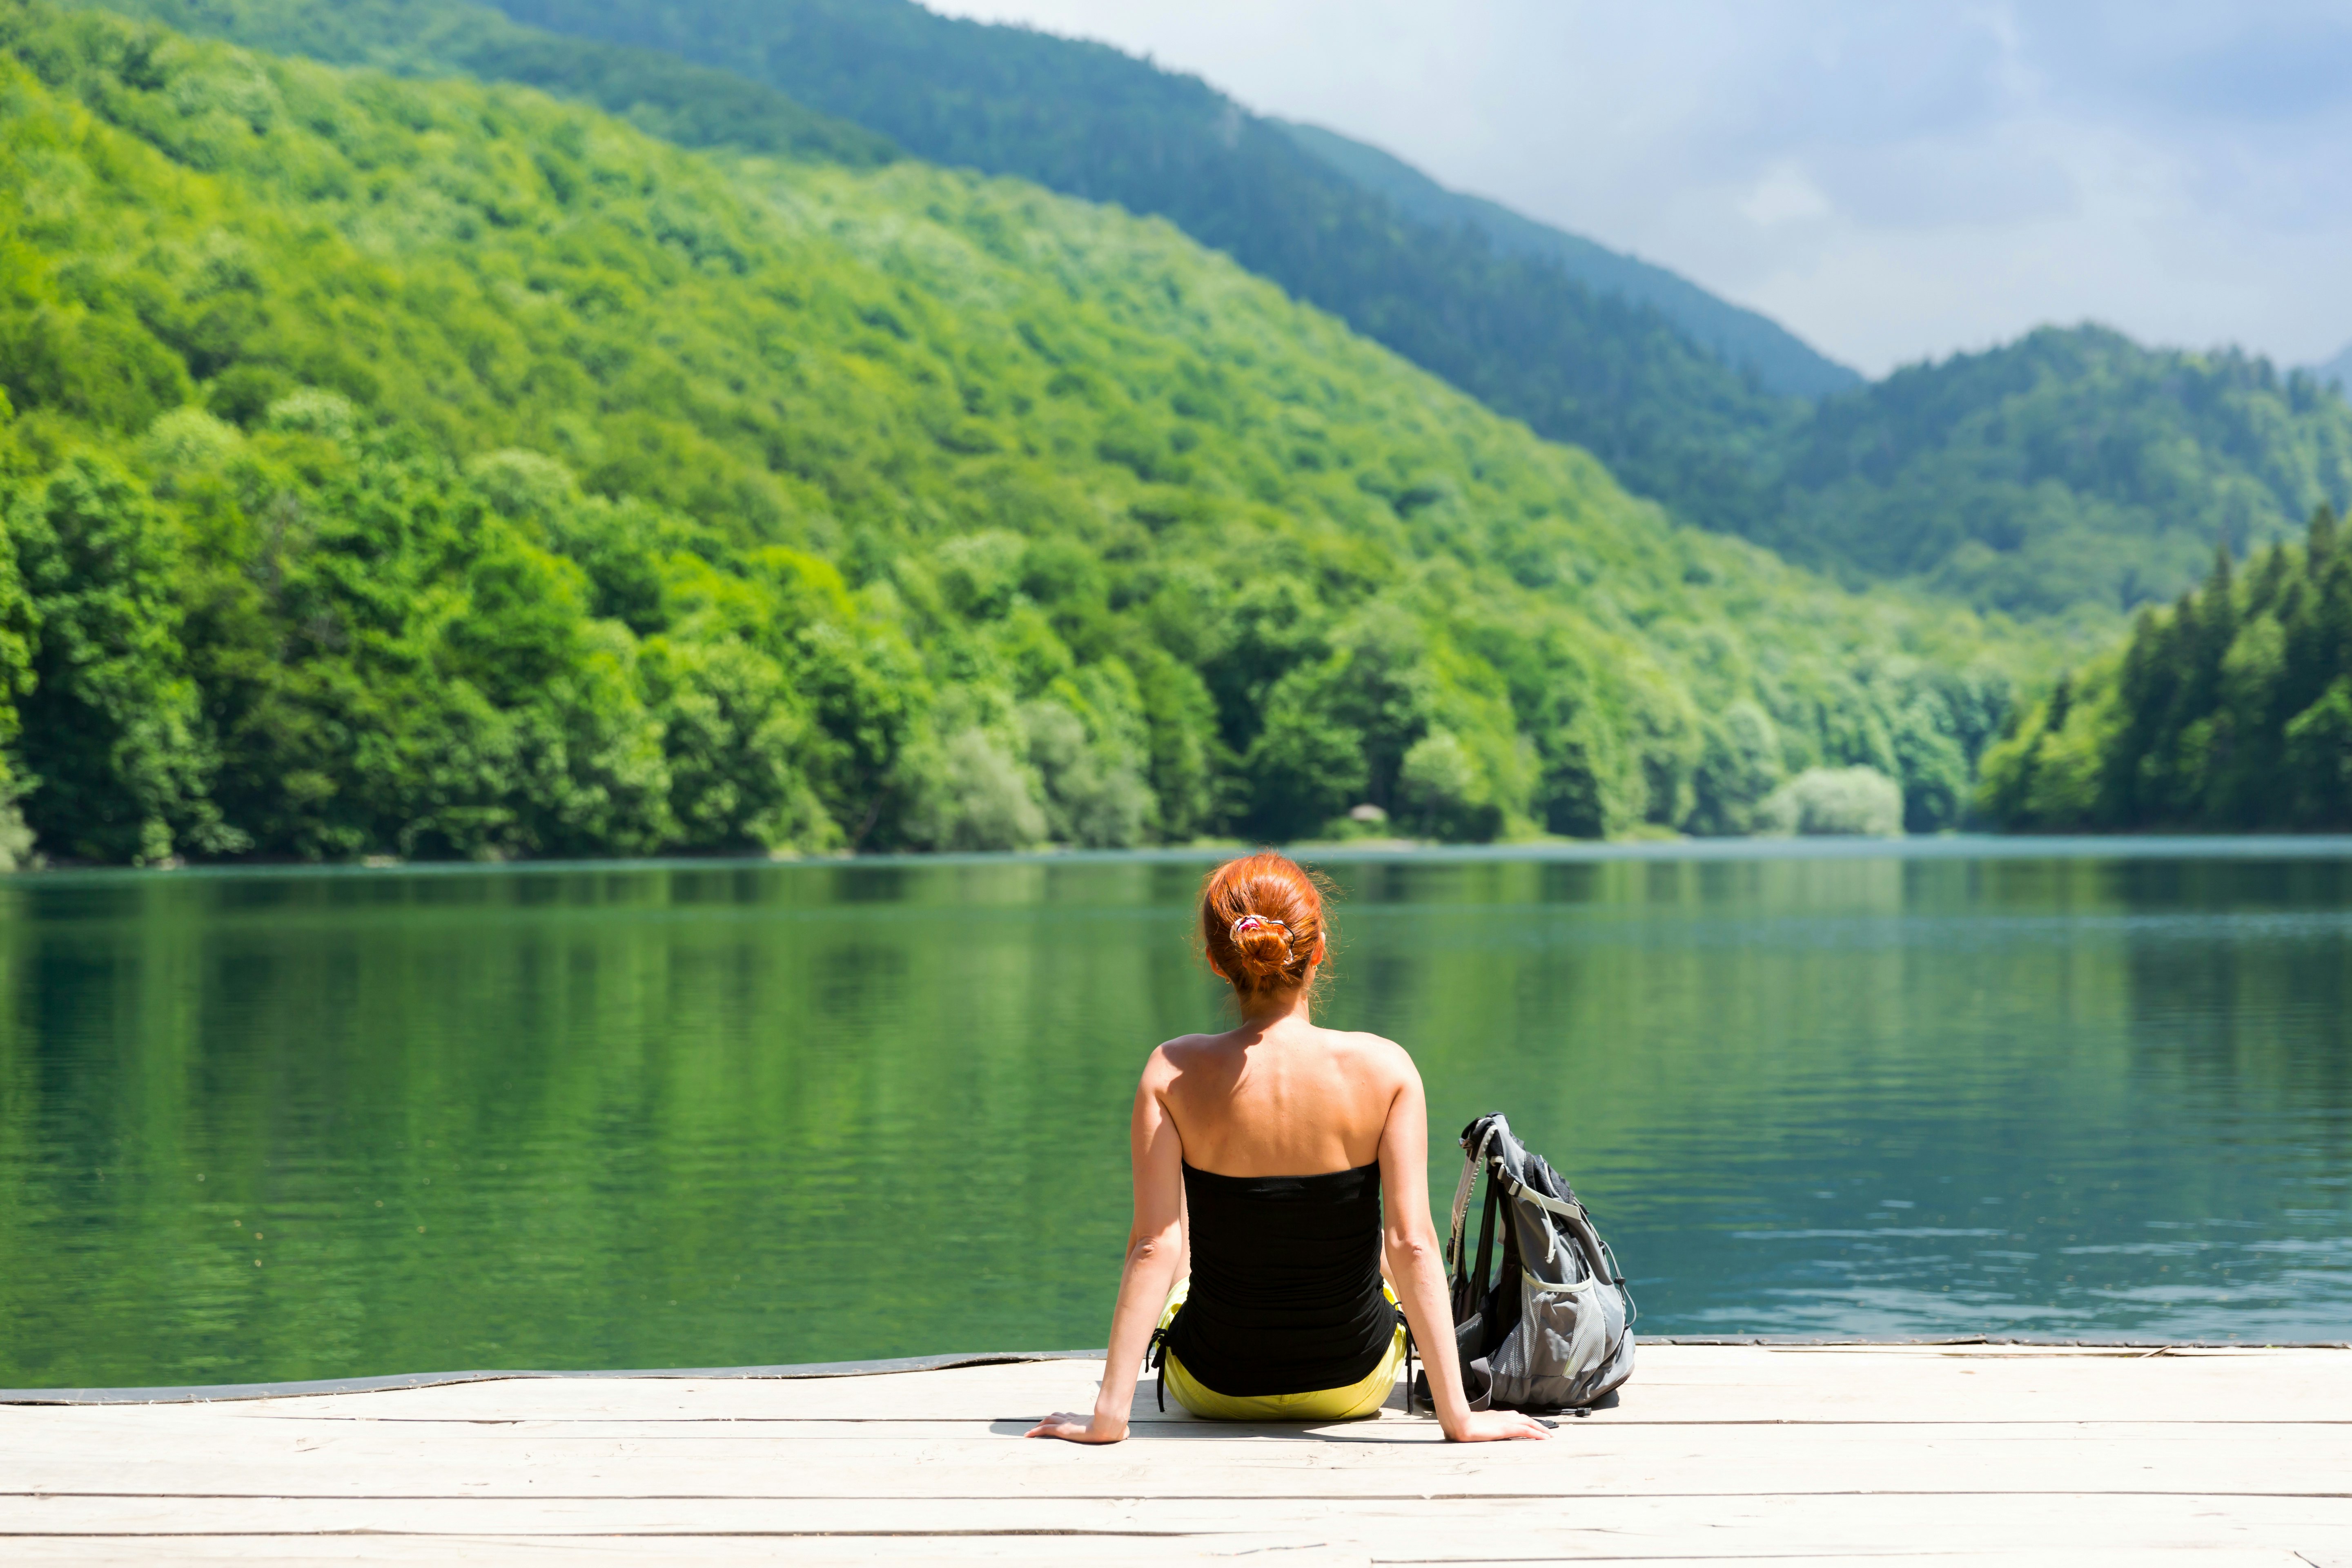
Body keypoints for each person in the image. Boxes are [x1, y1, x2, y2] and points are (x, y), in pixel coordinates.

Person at [1027, 852, 1550, 1444]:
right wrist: (1459, 1418)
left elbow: (1152, 1246)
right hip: (1354, 1385)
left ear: (1217, 963)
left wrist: (1108, 1416)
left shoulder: (1170, 1071)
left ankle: (1115, 1406)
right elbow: (1412, 1244)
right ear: (1319, 950)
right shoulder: (1385, 1069)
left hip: (1213, 1387)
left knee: (1175, 1231)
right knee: (1387, 1243)